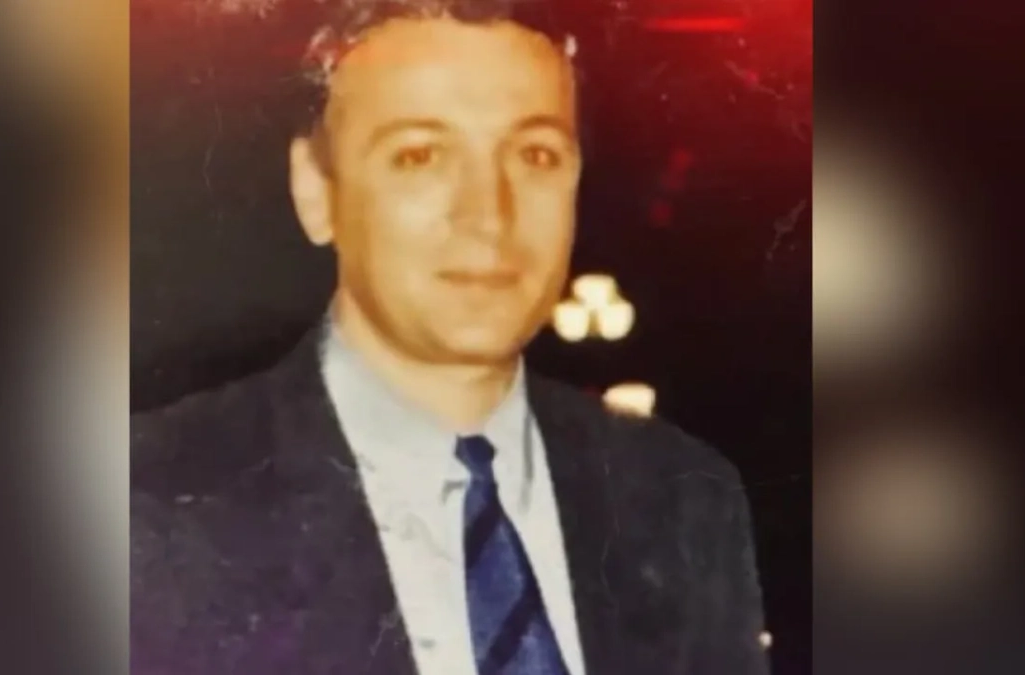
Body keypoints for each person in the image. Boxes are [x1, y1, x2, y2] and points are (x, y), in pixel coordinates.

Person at [131, 2, 768, 674]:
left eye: (535, 154)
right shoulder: (144, 506)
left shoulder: (682, 498)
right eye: (420, 155)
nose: (488, 214)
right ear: (316, 189)